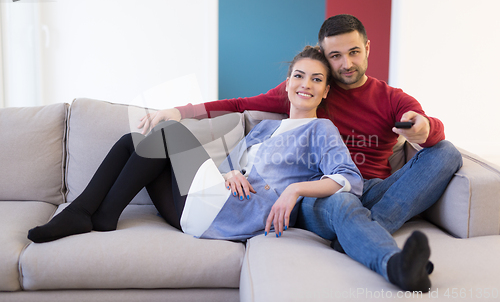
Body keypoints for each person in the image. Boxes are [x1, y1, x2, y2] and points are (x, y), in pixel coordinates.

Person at [138, 15, 463, 292]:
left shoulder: (391, 98)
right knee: (342, 202)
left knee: (446, 152)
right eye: (335, 56)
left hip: (375, 189)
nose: (346, 63)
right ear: (324, 58)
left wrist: (422, 130)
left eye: (353, 52)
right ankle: (393, 263)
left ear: (367, 48)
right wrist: (179, 112)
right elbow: (238, 105)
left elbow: (425, 125)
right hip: (318, 192)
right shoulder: (311, 90)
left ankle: (360, 231)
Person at [27, 45, 363, 243]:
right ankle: (95, 216)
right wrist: (230, 173)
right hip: (202, 205)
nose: (306, 85)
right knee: (134, 141)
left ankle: (86, 213)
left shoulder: (321, 129)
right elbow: (228, 168)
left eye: (316, 79)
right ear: (287, 83)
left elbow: (350, 178)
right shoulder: (264, 130)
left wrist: (295, 190)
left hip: (230, 214)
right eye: (299, 76)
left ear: (325, 90)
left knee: (172, 131)